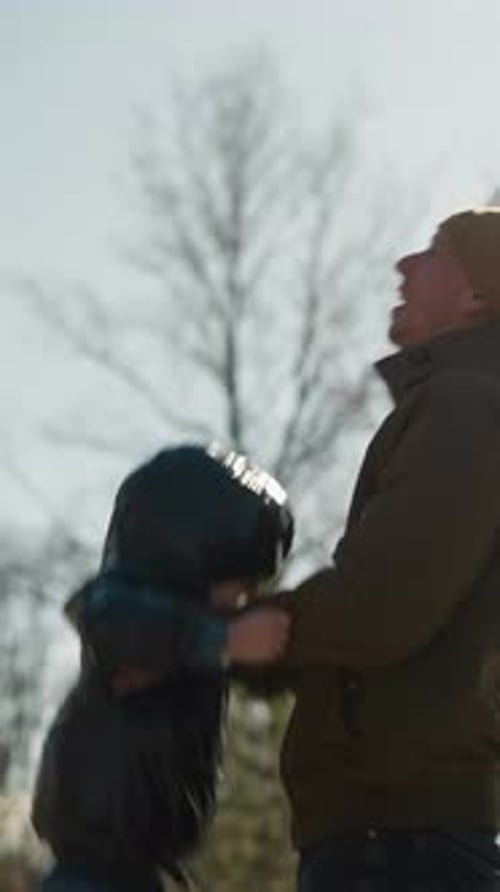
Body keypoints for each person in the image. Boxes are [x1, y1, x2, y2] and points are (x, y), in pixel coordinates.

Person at [274, 206, 500, 890]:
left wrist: (250, 632)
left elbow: (381, 607)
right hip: (411, 840)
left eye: (434, 252)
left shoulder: (464, 405)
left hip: (400, 849)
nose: (405, 266)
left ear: (477, 296)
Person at [32, 444, 293, 892]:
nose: (244, 599)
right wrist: (226, 640)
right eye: (241, 583)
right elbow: (108, 620)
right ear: (195, 556)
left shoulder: (193, 643)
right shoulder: (128, 611)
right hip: (94, 868)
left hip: (144, 865)